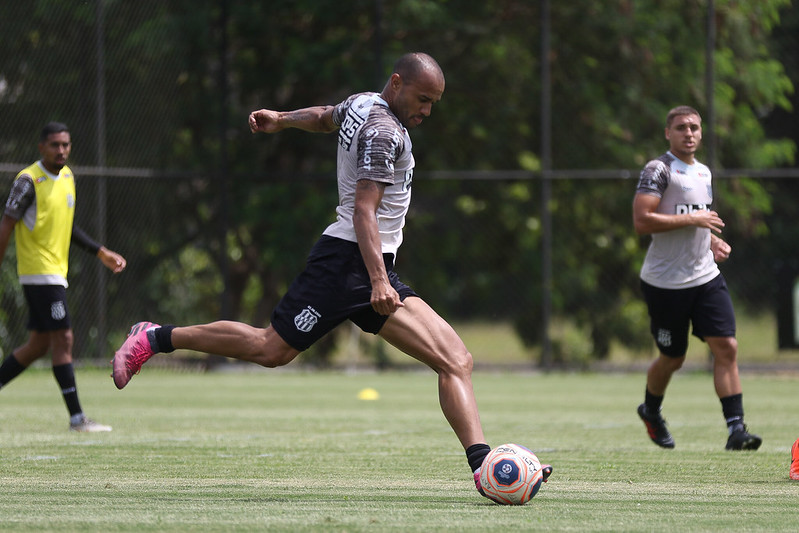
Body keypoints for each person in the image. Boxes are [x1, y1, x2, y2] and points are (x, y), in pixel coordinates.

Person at [111, 52, 551, 495]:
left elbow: (326, 117)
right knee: (271, 349)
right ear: (396, 83)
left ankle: (485, 468)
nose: (427, 112)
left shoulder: (362, 104)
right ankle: (155, 337)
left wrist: (282, 119)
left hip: (368, 262)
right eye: (422, 100)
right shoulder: (384, 132)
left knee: (455, 360)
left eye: (433, 103)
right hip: (348, 263)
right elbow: (364, 210)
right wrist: (378, 280)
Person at [633, 105, 761, 451]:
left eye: (694, 127)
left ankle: (737, 430)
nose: (688, 133)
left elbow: (693, 218)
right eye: (681, 128)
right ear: (668, 133)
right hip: (664, 283)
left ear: (701, 133)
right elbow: (643, 220)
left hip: (704, 275)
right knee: (673, 358)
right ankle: (651, 410)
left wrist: (712, 239)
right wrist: (695, 222)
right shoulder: (659, 170)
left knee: (727, 347)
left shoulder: (703, 172)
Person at [0, 121, 127, 432]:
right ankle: (76, 418)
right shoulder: (28, 180)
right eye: (55, 145)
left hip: (56, 273)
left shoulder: (68, 176)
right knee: (65, 338)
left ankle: (75, 417)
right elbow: (6, 224)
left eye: (66, 145)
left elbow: (66, 226)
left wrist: (101, 251)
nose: (61, 150)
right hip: (40, 274)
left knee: (37, 346)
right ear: (41, 146)